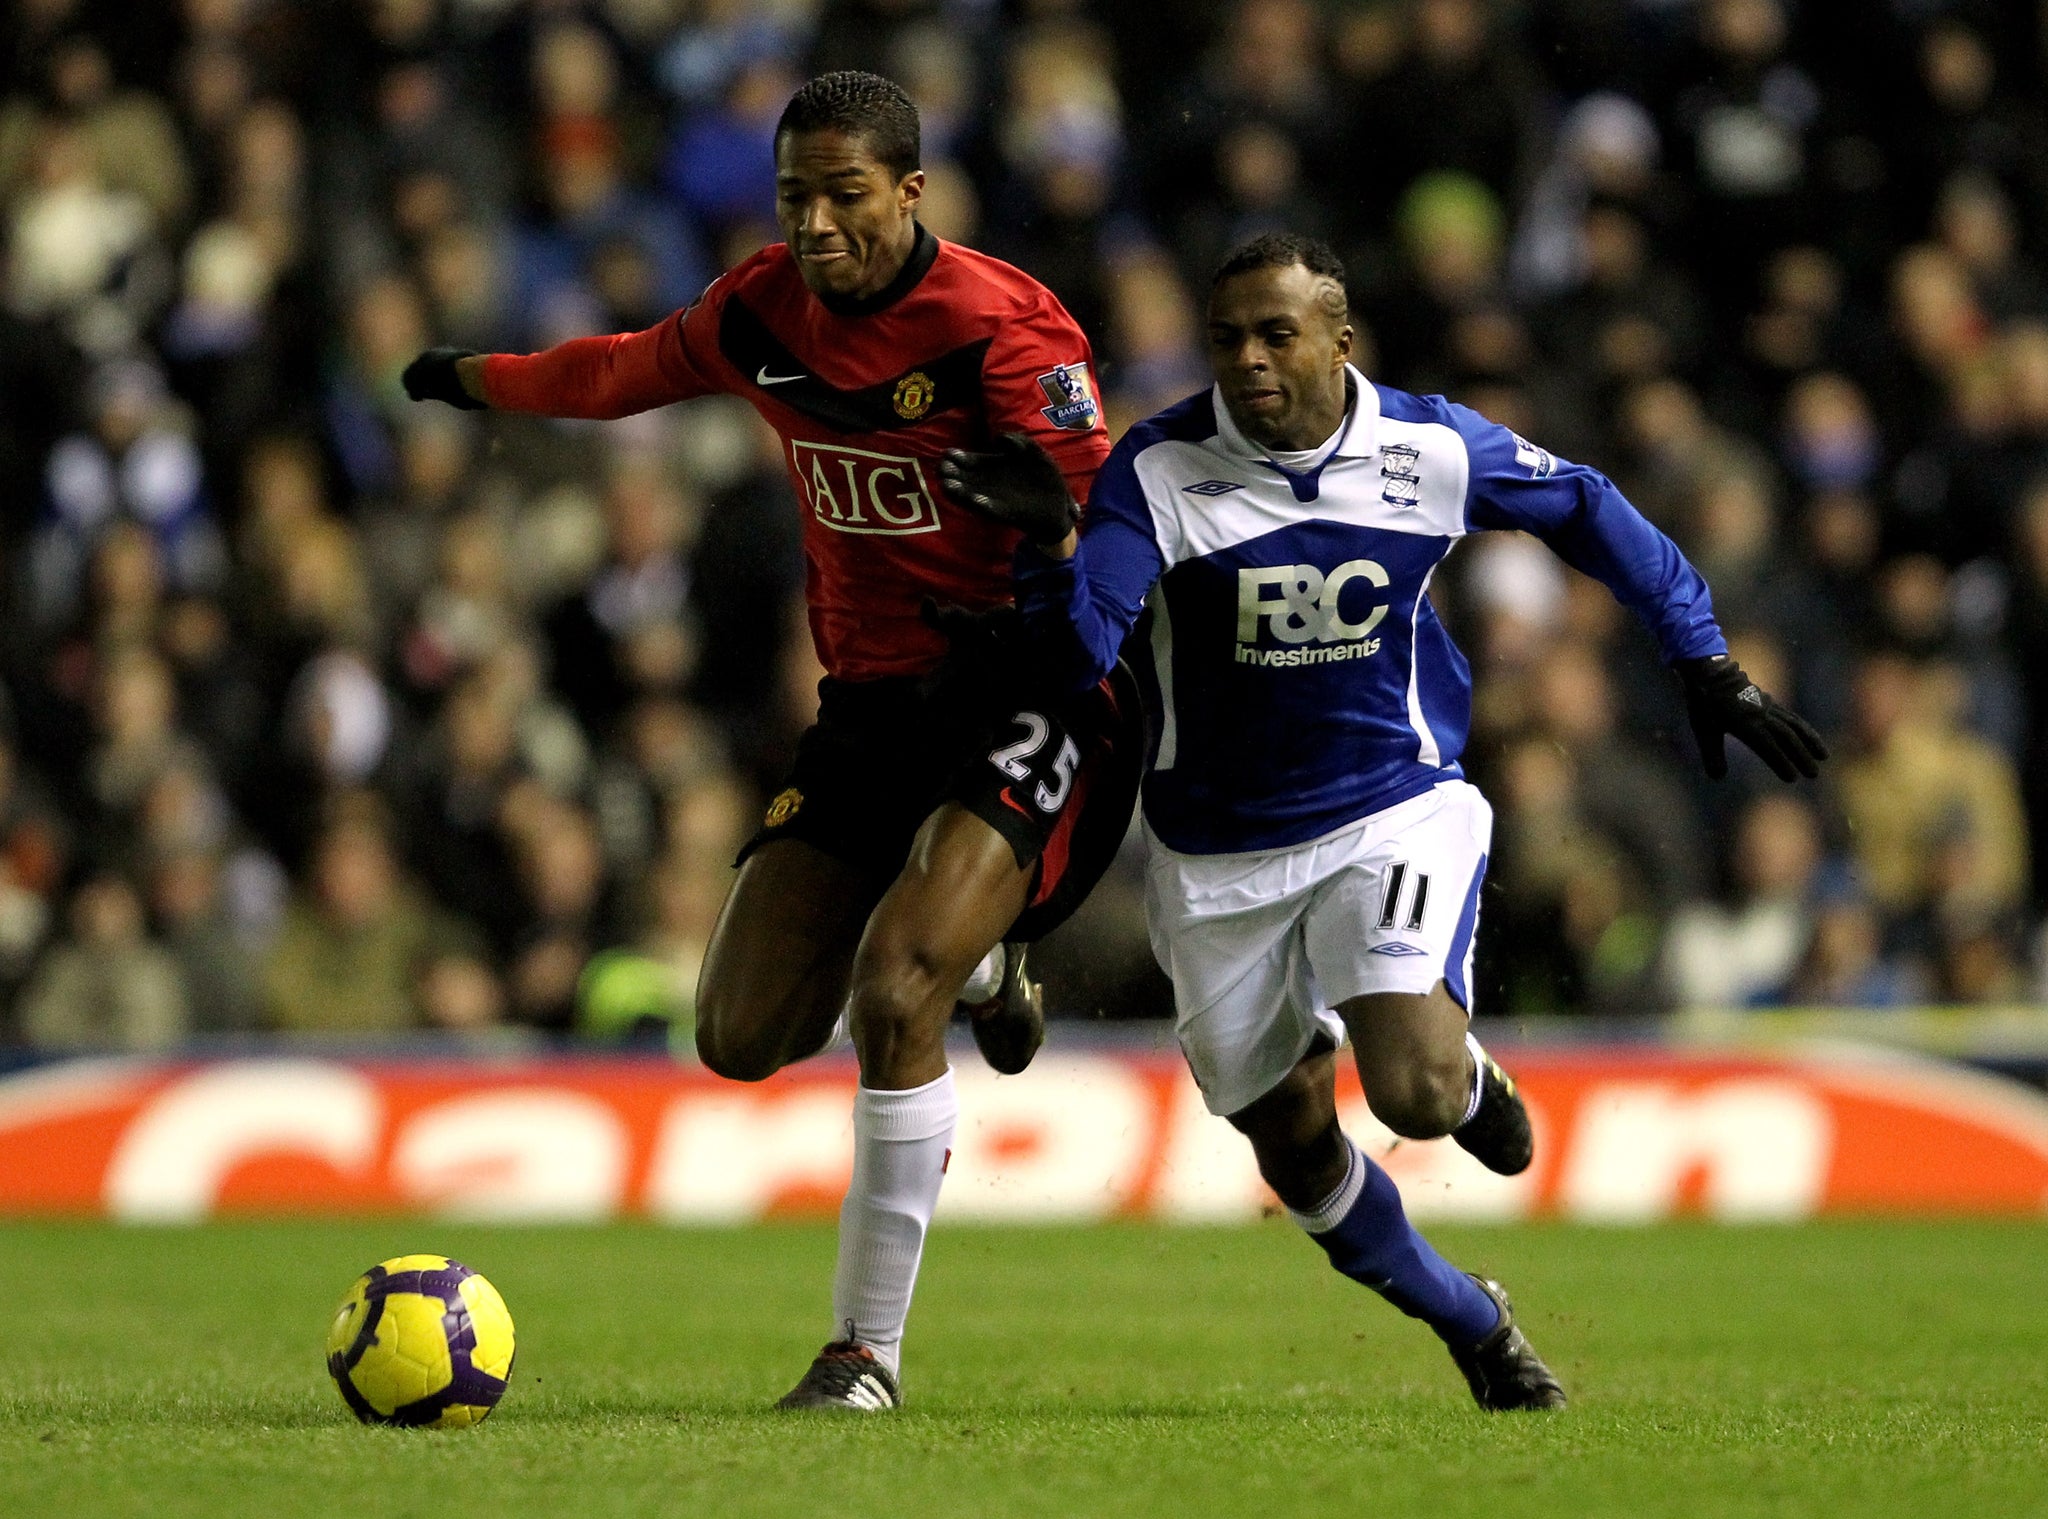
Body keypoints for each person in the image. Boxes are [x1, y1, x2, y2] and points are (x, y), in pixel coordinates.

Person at [943, 233, 1825, 1410]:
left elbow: (1585, 505)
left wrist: (1700, 655)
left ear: (1337, 339)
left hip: (1387, 813)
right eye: (1225, 341)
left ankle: (1456, 1083)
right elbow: (1081, 657)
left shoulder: (1428, 445)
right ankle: (1472, 1320)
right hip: (1215, 860)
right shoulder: (1154, 473)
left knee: (1407, 1088)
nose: (1246, 362)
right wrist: (1047, 550)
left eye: (1275, 335)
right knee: (1295, 1147)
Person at [400, 71, 1142, 1411]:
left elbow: (1128, 526)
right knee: (739, 1035)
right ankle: (992, 970)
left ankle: (865, 1355)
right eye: (794, 196)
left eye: (844, 196)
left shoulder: (1003, 326)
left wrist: (1055, 514)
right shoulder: (758, 313)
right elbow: (619, 370)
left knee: (895, 988)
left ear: (912, 193)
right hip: (868, 710)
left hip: (1027, 691)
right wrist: (474, 378)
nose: (814, 226)